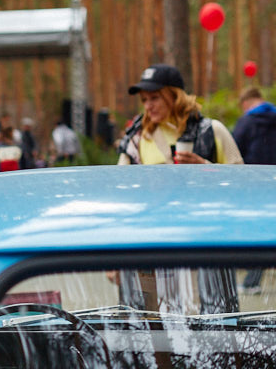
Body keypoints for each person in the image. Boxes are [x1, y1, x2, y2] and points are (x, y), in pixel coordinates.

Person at [116, 64, 242, 166]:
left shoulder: (212, 130)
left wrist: (204, 166)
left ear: (175, 96)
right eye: (144, 100)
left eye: (154, 98)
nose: (148, 106)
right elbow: (121, 180)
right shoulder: (136, 137)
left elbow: (240, 177)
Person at [231, 87, 275, 293]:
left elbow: (233, 152)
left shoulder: (246, 122)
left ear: (246, 103)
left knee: (259, 230)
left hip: (253, 186)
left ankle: (252, 282)